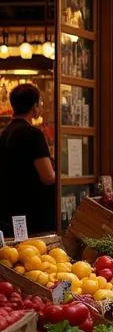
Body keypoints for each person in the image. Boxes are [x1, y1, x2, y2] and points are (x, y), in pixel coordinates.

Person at [0, 83, 55, 237]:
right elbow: (48, 177)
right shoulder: (33, 134)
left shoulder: (4, 133)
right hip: (32, 211)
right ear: (34, 106)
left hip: (8, 209)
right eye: (40, 104)